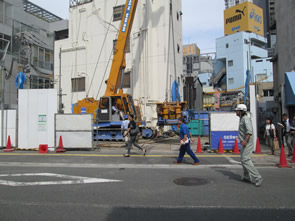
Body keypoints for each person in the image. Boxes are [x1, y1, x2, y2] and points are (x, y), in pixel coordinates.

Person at [235, 104, 263, 187]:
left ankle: (258, 177)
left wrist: (245, 140)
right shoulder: (242, 119)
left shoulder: (245, 119)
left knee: (246, 159)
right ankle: (247, 176)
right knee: (243, 159)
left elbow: (249, 131)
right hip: (244, 142)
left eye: (237, 110)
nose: (236, 112)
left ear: (241, 111)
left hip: (247, 142)